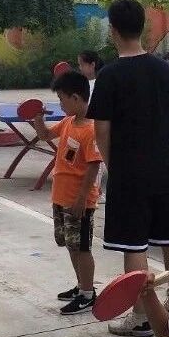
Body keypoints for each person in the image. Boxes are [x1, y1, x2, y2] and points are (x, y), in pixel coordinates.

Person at [86, 0, 169, 334]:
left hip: (131, 175)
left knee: (135, 246)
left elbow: (101, 130)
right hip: (166, 171)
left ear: (113, 30)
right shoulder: (164, 70)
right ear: (142, 27)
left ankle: (142, 317)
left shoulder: (110, 75)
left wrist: (115, 165)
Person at [27, 71, 103, 315]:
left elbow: (93, 166)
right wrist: (38, 119)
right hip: (61, 196)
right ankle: (81, 286)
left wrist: (82, 199)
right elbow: (45, 135)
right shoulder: (69, 121)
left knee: (82, 247)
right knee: (71, 245)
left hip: (79, 200)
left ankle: (88, 294)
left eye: (62, 99)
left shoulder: (92, 129)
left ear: (76, 98)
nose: (60, 104)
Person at [78, 50, 107, 199]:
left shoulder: (99, 84)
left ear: (92, 65)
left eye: (82, 64)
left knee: (97, 162)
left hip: (96, 129)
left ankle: (95, 193)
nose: (80, 68)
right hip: (88, 129)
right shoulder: (84, 84)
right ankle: (94, 192)